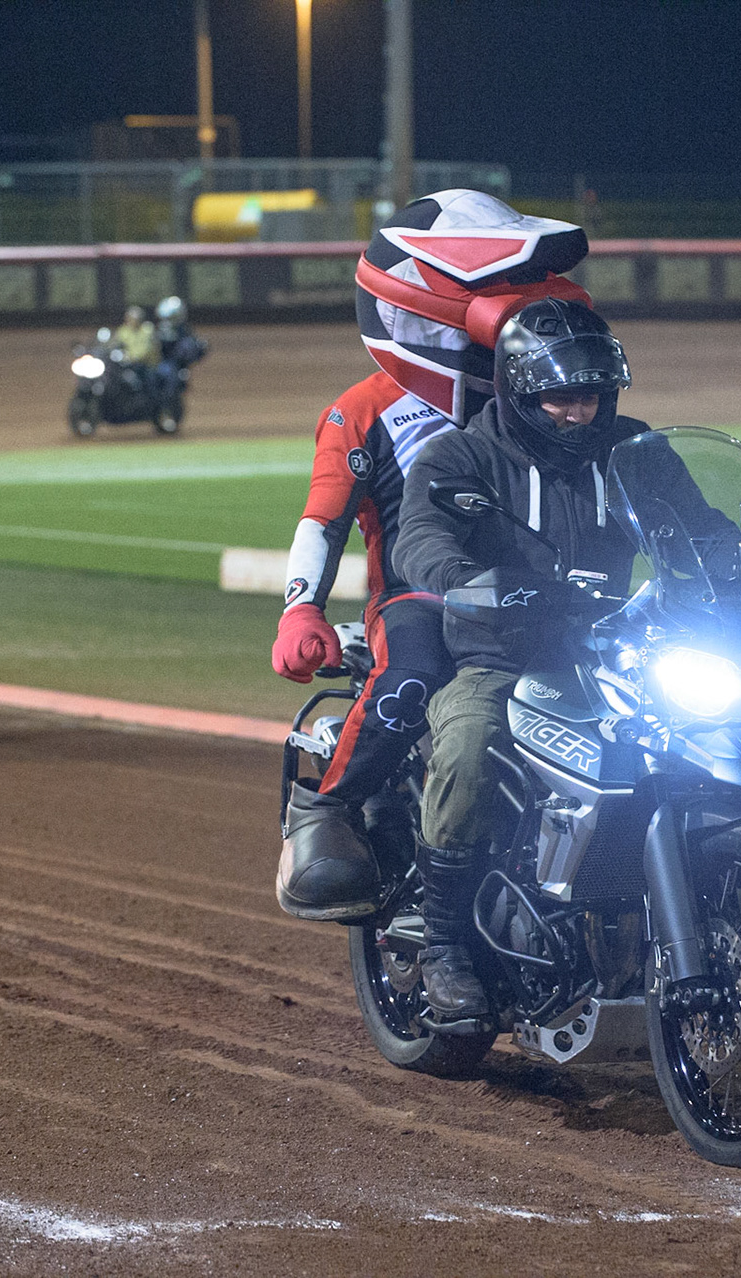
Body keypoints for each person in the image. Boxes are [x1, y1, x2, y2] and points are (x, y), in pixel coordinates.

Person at [393, 298, 741, 1027]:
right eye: (560, 398)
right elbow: (419, 536)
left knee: (740, 737)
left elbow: (702, 533)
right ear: (518, 392)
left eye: (592, 395)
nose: (579, 413)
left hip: (614, 650)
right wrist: (469, 580)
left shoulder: (633, 451)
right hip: (502, 655)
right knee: (466, 744)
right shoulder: (463, 456)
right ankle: (445, 946)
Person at [272, 191, 592, 921]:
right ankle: (324, 809)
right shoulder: (362, 408)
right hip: (417, 598)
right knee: (413, 673)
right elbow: (324, 518)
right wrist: (301, 609)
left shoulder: (533, 395)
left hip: (536, 596)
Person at [149, 295, 205, 406]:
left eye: (170, 318)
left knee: (168, 376)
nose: (166, 322)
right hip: (155, 361)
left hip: (171, 363)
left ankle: (164, 402)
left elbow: (191, 350)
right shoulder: (158, 329)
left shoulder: (183, 331)